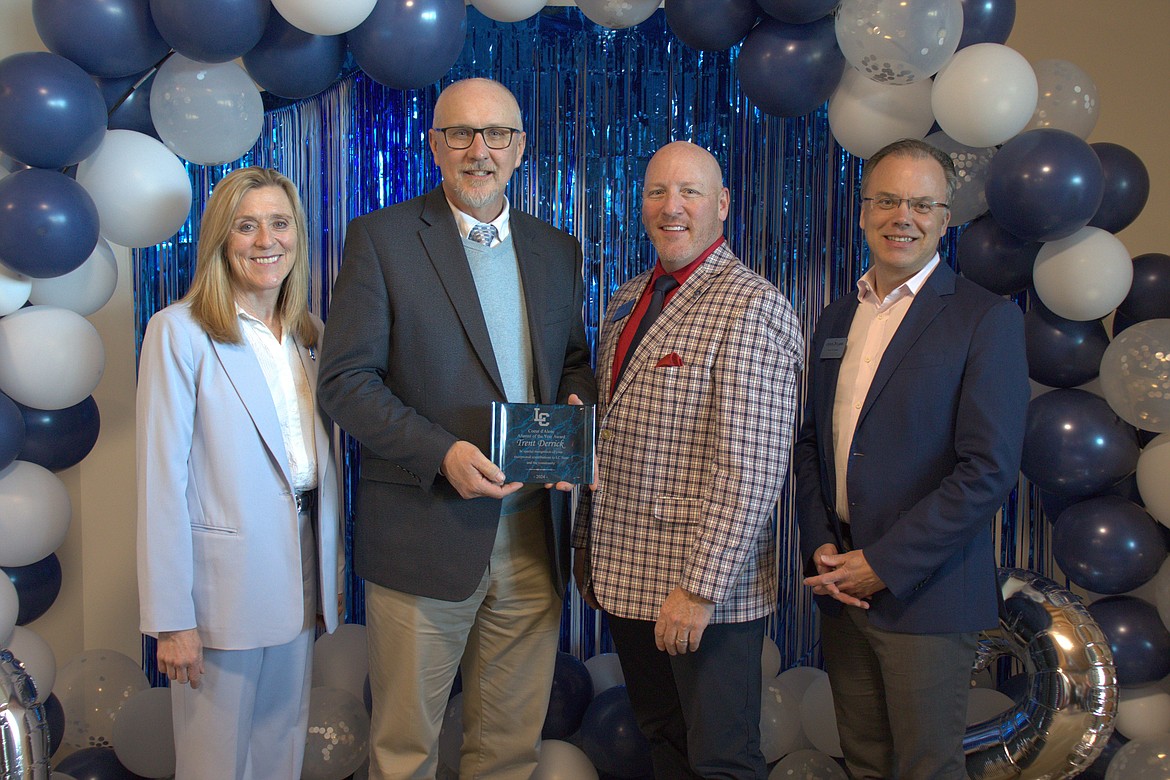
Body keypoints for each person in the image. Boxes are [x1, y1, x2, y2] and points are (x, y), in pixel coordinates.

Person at [316, 77, 596, 779]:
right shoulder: (381, 240)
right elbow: (345, 381)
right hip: (424, 537)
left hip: (534, 542)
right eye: (460, 135)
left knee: (506, 753)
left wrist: (570, 419)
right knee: (404, 752)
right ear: (434, 146)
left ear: (521, 147)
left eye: (496, 133)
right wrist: (440, 453)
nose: (480, 151)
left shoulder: (555, 250)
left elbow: (574, 361)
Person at [793, 138, 1030, 779]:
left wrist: (883, 564)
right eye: (890, 200)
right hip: (842, 585)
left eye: (922, 204)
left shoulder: (985, 320)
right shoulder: (837, 316)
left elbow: (987, 471)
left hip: (927, 595)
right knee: (866, 764)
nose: (905, 217)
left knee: (928, 769)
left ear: (944, 219)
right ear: (864, 211)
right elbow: (812, 443)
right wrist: (822, 543)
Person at [572, 140, 804, 779]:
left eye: (690, 192)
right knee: (664, 742)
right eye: (656, 192)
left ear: (722, 204)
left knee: (721, 761)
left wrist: (700, 589)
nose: (671, 207)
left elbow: (751, 467)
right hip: (626, 575)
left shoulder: (752, 306)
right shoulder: (626, 300)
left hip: (702, 590)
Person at [136, 166, 343, 779]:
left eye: (280, 224)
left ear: (297, 236)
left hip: (299, 572)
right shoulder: (179, 332)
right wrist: (173, 620)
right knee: (215, 765)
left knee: (280, 754)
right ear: (221, 241)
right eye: (246, 226)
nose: (266, 241)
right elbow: (160, 484)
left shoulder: (311, 336)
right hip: (219, 593)